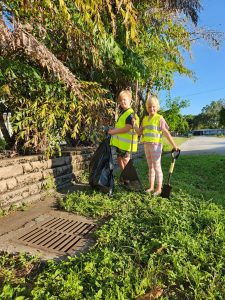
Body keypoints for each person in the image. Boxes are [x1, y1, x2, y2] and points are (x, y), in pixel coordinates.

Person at [133, 95, 179, 195]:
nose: (151, 108)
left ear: (157, 107)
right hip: (146, 145)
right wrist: (134, 124)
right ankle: (151, 187)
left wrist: (174, 145)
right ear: (147, 108)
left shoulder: (159, 118)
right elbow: (139, 132)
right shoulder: (144, 119)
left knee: (157, 167)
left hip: (156, 146)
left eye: (153, 106)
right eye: (149, 107)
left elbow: (166, 132)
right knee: (150, 167)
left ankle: (159, 189)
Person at [108, 90, 139, 172]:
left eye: (124, 99)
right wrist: (113, 129)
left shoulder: (130, 114)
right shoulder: (123, 113)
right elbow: (120, 126)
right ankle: (124, 176)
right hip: (121, 144)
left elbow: (127, 128)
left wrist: (113, 132)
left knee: (126, 160)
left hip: (127, 145)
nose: (122, 102)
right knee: (119, 159)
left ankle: (130, 178)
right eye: (121, 100)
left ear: (130, 100)